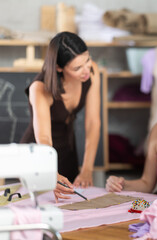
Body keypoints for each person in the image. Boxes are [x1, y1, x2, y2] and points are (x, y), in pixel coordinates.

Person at [20, 32, 101, 202]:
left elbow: (93, 122)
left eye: (87, 60)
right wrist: (51, 172)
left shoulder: (91, 72)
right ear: (59, 67)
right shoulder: (40, 88)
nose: (86, 70)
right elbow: (43, 136)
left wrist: (87, 168)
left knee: (73, 208)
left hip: (68, 150)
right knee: (41, 206)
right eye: (77, 68)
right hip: (40, 154)